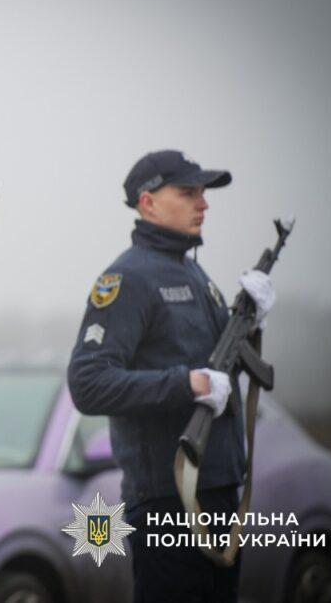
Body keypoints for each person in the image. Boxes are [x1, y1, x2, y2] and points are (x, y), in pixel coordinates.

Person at [67, 150, 276, 603]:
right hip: (167, 498)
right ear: (148, 203)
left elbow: (221, 371)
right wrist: (188, 384)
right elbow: (88, 382)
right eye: (187, 192)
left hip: (219, 488)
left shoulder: (195, 273)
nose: (202, 203)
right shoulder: (128, 279)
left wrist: (250, 324)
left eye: (203, 193)